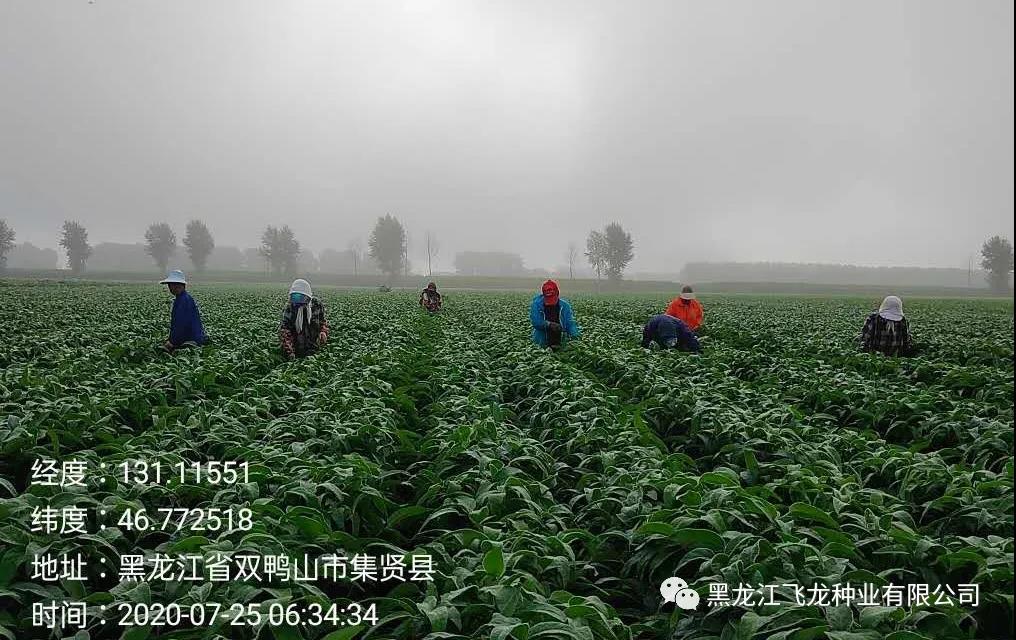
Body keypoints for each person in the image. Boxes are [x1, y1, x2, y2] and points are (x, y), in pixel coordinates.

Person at [279, 279, 329, 359]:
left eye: (299, 297)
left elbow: (323, 322)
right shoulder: (290, 308)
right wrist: (289, 351)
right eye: (294, 297)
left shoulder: (317, 305)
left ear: (307, 296)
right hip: (296, 350)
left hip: (315, 349)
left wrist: (323, 332)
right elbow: (285, 331)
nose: (296, 301)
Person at [160, 269, 207, 352]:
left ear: (182, 286)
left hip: (190, 341)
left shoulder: (184, 300)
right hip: (189, 339)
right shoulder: (181, 299)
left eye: (175, 285)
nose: (171, 288)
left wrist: (172, 342)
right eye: (170, 285)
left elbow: (181, 324)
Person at [530, 279, 581, 349]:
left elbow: (570, 323)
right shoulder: (537, 305)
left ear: (557, 293)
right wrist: (549, 324)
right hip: (541, 342)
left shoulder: (564, 306)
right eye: (548, 298)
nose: (551, 301)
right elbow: (536, 322)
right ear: (544, 295)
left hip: (560, 342)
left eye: (552, 298)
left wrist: (575, 336)